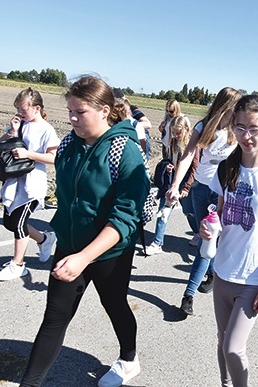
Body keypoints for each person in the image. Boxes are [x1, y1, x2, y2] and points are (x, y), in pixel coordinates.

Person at [20, 76, 149, 387]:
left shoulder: (124, 149)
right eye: (70, 111)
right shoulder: (68, 144)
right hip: (70, 245)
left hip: (109, 251)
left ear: (104, 110)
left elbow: (125, 217)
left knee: (115, 304)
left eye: (80, 112)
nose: (73, 118)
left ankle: (128, 359)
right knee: (54, 317)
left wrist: (84, 257)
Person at [202, 94, 258, 387]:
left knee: (233, 347)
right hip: (223, 271)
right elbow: (218, 214)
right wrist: (206, 229)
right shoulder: (226, 168)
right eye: (239, 128)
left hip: (254, 277)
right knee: (221, 341)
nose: (246, 136)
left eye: (254, 128)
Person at [165, 87, 241, 316]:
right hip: (200, 188)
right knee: (206, 238)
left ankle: (189, 294)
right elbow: (188, 156)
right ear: (225, 105)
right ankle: (212, 272)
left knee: (205, 241)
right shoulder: (203, 127)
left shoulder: (237, 129)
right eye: (235, 106)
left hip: (224, 192)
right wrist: (176, 185)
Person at [0, 88, 60, 281]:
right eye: (17, 108)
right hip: (14, 182)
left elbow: (54, 157)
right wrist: (12, 132)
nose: (19, 112)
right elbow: (2, 142)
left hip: (32, 185)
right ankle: (44, 239)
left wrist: (29, 155)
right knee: (11, 223)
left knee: (18, 224)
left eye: (23, 109)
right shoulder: (21, 125)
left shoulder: (46, 129)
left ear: (37, 108)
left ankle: (18, 265)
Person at [146, 115, 198, 255]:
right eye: (173, 132)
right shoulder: (172, 142)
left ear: (186, 130)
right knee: (163, 211)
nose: (175, 135)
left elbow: (195, 167)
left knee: (189, 212)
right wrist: (168, 165)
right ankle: (157, 243)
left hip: (187, 185)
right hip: (171, 183)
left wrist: (186, 187)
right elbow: (168, 158)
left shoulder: (193, 145)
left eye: (178, 133)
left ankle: (197, 232)